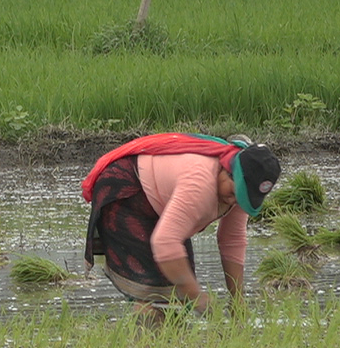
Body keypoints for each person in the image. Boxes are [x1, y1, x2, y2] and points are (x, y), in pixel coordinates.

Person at [82, 133, 281, 322]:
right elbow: (165, 243)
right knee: (153, 291)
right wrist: (197, 296)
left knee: (176, 290)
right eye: (236, 190)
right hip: (128, 192)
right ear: (227, 170)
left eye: (244, 197)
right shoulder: (199, 185)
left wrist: (237, 301)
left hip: (160, 204)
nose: (237, 199)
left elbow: (232, 240)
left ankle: (168, 347)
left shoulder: (240, 197)